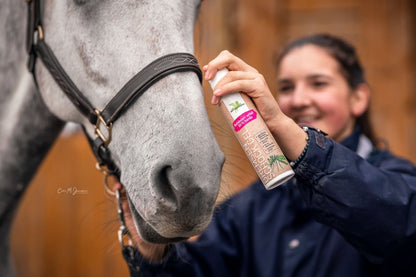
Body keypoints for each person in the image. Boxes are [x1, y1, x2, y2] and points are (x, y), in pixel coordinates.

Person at [124, 34, 416, 276]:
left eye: (319, 83)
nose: (299, 100)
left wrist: (284, 128)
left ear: (358, 98)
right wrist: (153, 253)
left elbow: (400, 229)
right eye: (287, 87)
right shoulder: (247, 209)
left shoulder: (396, 179)